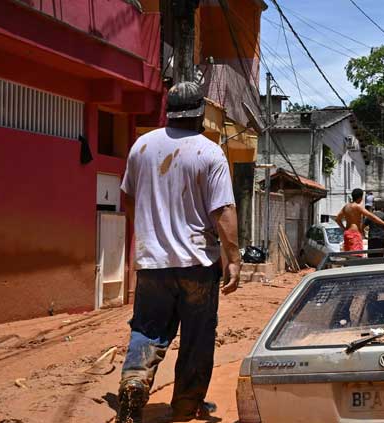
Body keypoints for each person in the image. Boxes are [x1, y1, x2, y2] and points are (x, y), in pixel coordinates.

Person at [117, 82, 241, 423]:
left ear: (168, 110)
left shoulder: (141, 147)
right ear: (200, 113)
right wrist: (234, 258)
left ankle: (135, 378)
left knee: (147, 328)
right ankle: (186, 406)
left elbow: (128, 198)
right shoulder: (210, 152)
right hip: (198, 264)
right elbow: (223, 211)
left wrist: (144, 239)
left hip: (152, 264)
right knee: (197, 338)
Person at [336, 188, 384, 253]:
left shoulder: (346, 207)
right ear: (360, 197)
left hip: (347, 234)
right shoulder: (358, 206)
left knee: (348, 255)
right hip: (355, 234)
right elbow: (372, 217)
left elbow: (337, 219)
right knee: (356, 256)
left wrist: (344, 229)